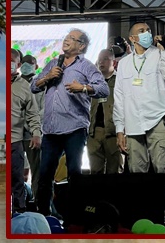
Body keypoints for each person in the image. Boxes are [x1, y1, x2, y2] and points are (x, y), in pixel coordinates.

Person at [30, 29, 109, 217]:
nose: (66, 41)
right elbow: (33, 86)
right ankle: (44, 215)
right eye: (66, 38)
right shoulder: (52, 64)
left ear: (81, 46)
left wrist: (82, 87)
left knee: (75, 174)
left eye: (71, 39)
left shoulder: (87, 67)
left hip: (74, 128)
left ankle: (76, 216)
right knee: (45, 175)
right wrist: (47, 78)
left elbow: (104, 89)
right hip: (50, 129)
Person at [113, 22, 165, 175]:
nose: (147, 33)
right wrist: (119, 129)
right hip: (133, 122)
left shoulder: (158, 54)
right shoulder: (124, 64)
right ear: (132, 38)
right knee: (136, 170)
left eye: (148, 30)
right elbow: (119, 97)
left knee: (162, 168)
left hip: (157, 119)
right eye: (141, 31)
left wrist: (163, 51)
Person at [10, 49, 41, 214]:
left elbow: (33, 113)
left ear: (18, 64)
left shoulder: (25, 86)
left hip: (16, 140)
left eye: (11, 60)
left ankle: (19, 212)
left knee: (17, 180)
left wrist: (36, 133)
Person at [87, 49, 123, 174]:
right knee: (95, 171)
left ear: (114, 62)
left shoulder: (120, 81)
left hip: (113, 132)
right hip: (94, 132)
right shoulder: (92, 83)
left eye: (105, 59)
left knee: (114, 171)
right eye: (99, 59)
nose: (101, 62)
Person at [20, 55, 43, 197]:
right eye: (24, 63)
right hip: (16, 134)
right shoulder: (14, 83)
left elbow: (44, 108)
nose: (27, 65)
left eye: (31, 63)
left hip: (33, 133)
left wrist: (32, 125)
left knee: (37, 171)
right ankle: (17, 204)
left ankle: (38, 202)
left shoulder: (41, 83)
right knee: (15, 171)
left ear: (36, 66)